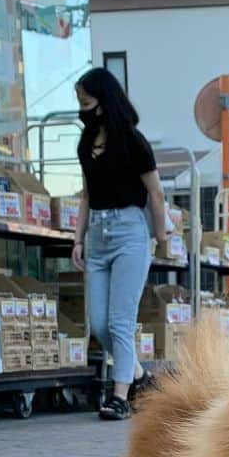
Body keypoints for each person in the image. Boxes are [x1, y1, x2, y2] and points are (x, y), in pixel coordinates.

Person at [71, 67, 167, 421]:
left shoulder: (132, 141)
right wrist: (77, 238)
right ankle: (140, 377)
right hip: (97, 233)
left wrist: (161, 238)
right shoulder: (85, 143)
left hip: (130, 232)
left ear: (104, 100)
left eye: (86, 100)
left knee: (120, 323)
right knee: (99, 324)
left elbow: (156, 194)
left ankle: (120, 396)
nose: (82, 107)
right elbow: (86, 195)